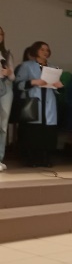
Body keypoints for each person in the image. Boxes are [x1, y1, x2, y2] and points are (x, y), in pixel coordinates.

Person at [14, 41, 63, 167]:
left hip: (49, 102)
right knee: (33, 132)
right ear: (35, 50)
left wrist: (59, 86)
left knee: (48, 133)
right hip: (34, 101)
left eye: (47, 50)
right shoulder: (27, 66)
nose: (45, 52)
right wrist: (33, 82)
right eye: (42, 49)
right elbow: (18, 84)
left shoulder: (53, 67)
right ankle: (32, 159)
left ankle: (46, 158)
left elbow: (58, 89)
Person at [0, 26, 16, 170]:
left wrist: (9, 72)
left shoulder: (7, 54)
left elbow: (13, 77)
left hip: (6, 87)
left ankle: (0, 158)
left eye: (1, 34)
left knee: (3, 125)